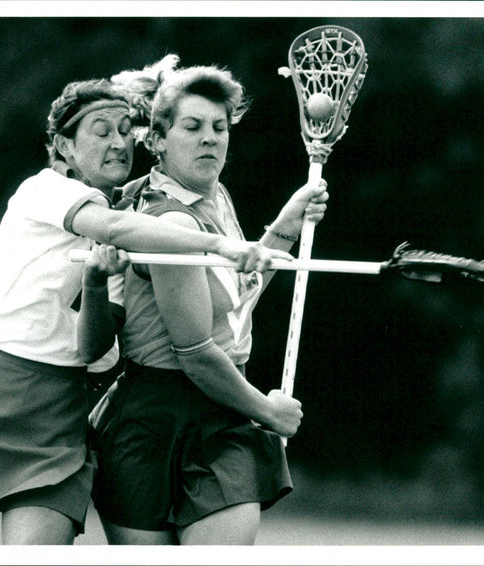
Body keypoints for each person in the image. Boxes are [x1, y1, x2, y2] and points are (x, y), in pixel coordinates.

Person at [0, 77, 290, 545]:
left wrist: (96, 282)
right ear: (63, 146)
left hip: (62, 412)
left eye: (125, 131)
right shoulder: (46, 190)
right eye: (101, 131)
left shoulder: (128, 215)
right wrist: (218, 244)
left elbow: (95, 345)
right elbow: (118, 227)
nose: (119, 143)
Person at [84, 57, 329, 545]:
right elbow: (195, 353)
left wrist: (284, 226)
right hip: (152, 418)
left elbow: (232, 305)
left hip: (220, 417)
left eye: (220, 127)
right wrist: (266, 410)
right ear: (156, 140)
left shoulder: (217, 200)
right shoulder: (170, 222)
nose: (210, 138)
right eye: (192, 126)